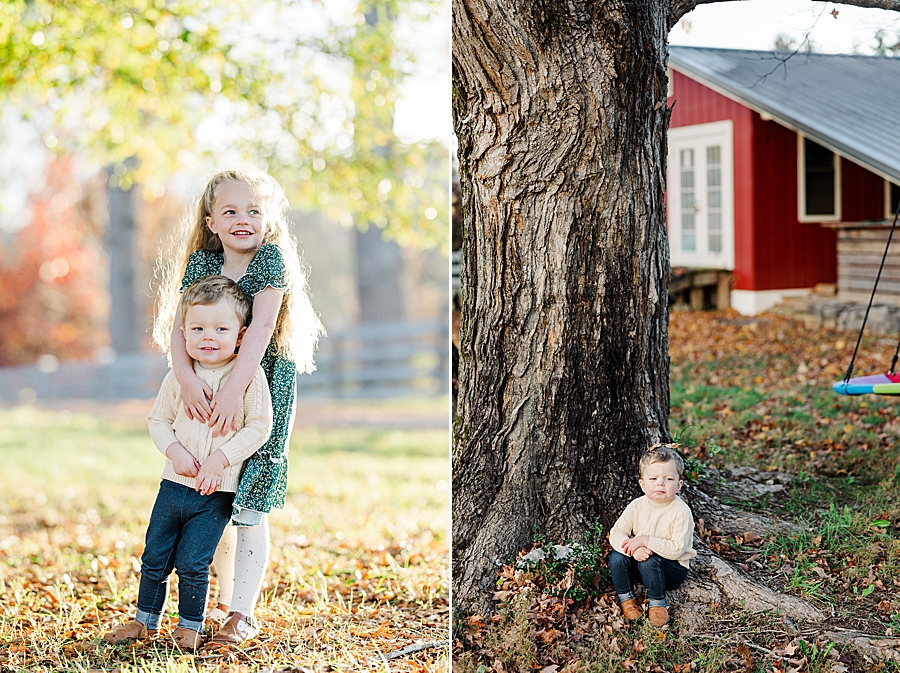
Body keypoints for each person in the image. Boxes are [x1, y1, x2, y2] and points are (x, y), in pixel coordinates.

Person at [152, 166, 323, 644]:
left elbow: (262, 329)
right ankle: (223, 604)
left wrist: (233, 390)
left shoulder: (271, 261)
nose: (242, 218)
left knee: (249, 497)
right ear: (211, 221)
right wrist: (187, 379)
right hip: (206, 386)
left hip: (260, 384)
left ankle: (241, 614)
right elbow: (178, 328)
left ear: (269, 219)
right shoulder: (202, 266)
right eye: (230, 210)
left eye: (254, 210)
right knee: (214, 492)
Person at [104, 275, 273, 650]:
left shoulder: (249, 377)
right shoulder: (180, 377)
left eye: (220, 328)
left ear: (241, 335)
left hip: (214, 492)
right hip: (173, 486)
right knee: (155, 556)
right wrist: (175, 452)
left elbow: (259, 427)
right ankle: (144, 621)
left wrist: (221, 458)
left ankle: (190, 627)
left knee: (194, 562)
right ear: (183, 333)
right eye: (197, 328)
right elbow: (158, 421)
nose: (207, 337)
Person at [608, 445, 696, 627]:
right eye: (653, 478)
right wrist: (633, 550)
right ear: (642, 484)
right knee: (617, 558)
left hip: (672, 568)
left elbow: (678, 550)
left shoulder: (681, 511)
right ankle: (627, 600)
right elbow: (616, 533)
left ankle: (657, 604)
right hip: (641, 562)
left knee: (649, 560)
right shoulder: (637, 505)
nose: (660, 483)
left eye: (669, 478)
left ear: (679, 485)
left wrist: (645, 540)